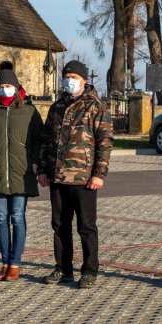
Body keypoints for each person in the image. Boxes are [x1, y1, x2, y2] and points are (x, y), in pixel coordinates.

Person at [39, 60, 113, 289]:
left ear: (84, 80)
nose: (69, 81)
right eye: (66, 76)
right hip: (58, 178)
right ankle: (63, 268)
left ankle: (90, 270)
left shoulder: (95, 107)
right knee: (60, 225)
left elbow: (105, 142)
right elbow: (46, 140)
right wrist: (43, 169)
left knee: (86, 226)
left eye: (74, 77)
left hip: (84, 179)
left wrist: (99, 174)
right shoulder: (56, 107)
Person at [0, 67, 43, 281]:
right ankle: (4, 261)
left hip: (21, 172)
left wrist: (36, 162)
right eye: (1, 87)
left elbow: (39, 139)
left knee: (17, 217)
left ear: (17, 88)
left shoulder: (29, 111)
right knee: (1, 218)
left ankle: (16, 263)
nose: (4, 90)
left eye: (8, 86)